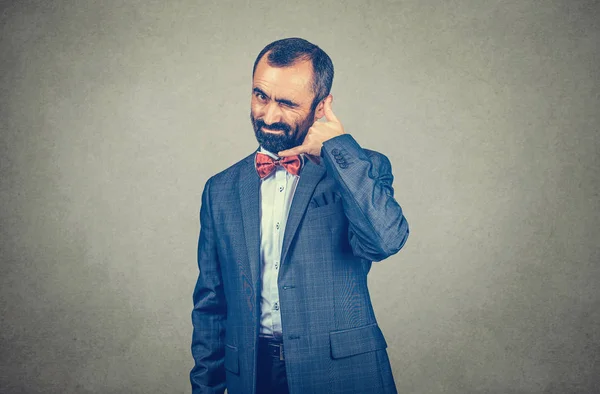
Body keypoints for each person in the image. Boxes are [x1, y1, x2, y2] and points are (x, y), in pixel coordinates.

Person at [190, 37, 409, 394]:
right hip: (253, 375)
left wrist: (339, 151)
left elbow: (386, 240)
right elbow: (211, 305)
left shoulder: (362, 167)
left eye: (287, 103)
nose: (269, 115)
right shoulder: (220, 189)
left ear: (322, 106)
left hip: (342, 376)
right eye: (261, 96)